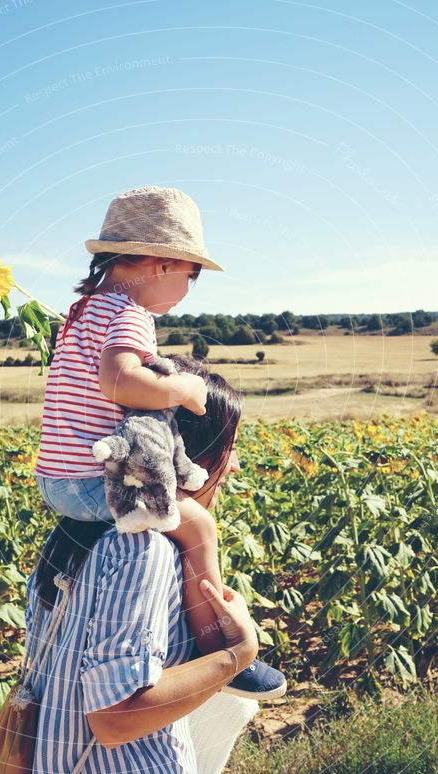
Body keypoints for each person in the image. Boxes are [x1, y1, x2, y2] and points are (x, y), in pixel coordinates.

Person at [33, 185, 280, 697]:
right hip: (90, 480)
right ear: (161, 262)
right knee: (198, 528)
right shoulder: (128, 314)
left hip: (56, 479)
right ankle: (217, 646)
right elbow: (118, 382)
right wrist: (181, 388)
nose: (188, 290)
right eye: (190, 276)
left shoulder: (83, 311)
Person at [25, 356, 287, 774]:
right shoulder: (142, 551)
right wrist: (238, 655)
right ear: (187, 453)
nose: (236, 465)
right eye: (231, 447)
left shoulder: (79, 530)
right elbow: (115, 717)